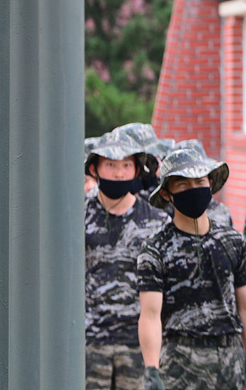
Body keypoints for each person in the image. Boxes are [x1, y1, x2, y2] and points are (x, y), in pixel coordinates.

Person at [137, 141, 246, 390]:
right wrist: (152, 369)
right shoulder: (155, 248)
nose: (194, 188)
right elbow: (150, 315)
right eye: (183, 184)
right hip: (180, 360)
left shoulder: (233, 241)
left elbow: (244, 308)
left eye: (199, 182)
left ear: (210, 184)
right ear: (166, 194)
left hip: (229, 358)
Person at [82, 124, 168, 390]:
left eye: (126, 166)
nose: (118, 173)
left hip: (138, 344)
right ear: (94, 169)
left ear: (136, 170)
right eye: (110, 165)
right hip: (88, 342)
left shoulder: (157, 221)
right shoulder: (76, 215)